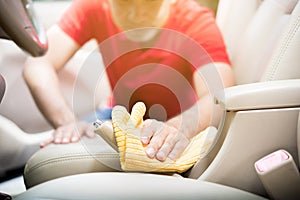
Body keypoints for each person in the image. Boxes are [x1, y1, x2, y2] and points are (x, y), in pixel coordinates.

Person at [23, 0, 235, 163]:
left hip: (180, 119)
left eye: (148, 2)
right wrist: (66, 122)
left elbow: (220, 94)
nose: (136, 13)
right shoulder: (95, 7)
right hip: (118, 116)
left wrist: (176, 128)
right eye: (125, 2)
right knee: (61, 146)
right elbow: (38, 64)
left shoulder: (194, 20)